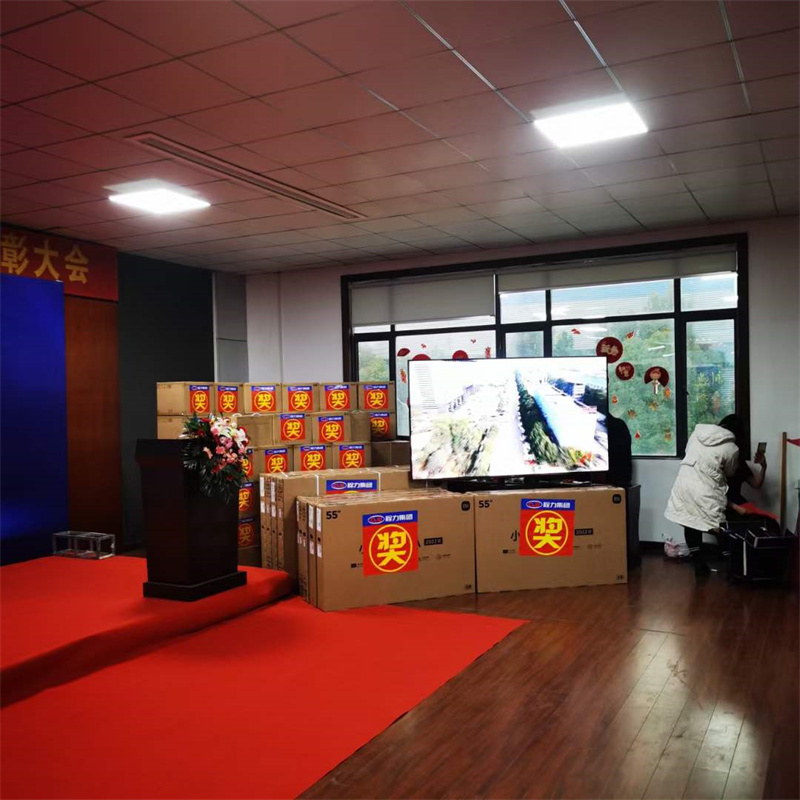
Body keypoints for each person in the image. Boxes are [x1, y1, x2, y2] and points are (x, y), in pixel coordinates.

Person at [665, 415, 740, 576]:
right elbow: (730, 472)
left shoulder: (697, 434)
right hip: (706, 488)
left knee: (689, 521)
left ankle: (698, 563)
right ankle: (731, 563)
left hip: (684, 483)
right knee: (717, 525)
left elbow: (689, 454)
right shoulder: (732, 448)